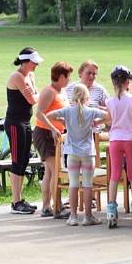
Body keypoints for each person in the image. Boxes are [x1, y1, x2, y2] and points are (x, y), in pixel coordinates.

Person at [47, 84, 108, 226]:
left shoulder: (68, 111)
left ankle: (73, 216)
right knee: (87, 185)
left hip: (72, 153)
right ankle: (88, 216)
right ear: (87, 97)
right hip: (87, 153)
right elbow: (109, 116)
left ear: (72, 97)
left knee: (73, 184)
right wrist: (97, 123)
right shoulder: (91, 111)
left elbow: (49, 115)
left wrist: (62, 122)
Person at [105, 65, 132, 228]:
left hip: (115, 139)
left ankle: (111, 209)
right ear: (128, 82)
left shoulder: (109, 101)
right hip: (131, 139)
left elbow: (109, 121)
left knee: (114, 175)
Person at [5, 47, 42, 214]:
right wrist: (36, 93)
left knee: (25, 160)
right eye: (34, 62)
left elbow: (36, 94)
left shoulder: (30, 76)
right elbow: (33, 99)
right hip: (15, 123)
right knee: (17, 160)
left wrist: (36, 93)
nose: (36, 66)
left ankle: (20, 199)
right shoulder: (17, 77)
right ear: (26, 62)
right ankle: (15, 201)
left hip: (26, 122)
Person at [34, 61, 72, 218]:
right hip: (45, 134)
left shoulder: (61, 92)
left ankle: (47, 206)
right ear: (61, 77)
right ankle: (57, 206)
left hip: (57, 135)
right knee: (56, 171)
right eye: (68, 77)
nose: (69, 80)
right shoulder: (49, 92)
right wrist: (52, 128)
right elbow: (39, 113)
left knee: (49, 173)